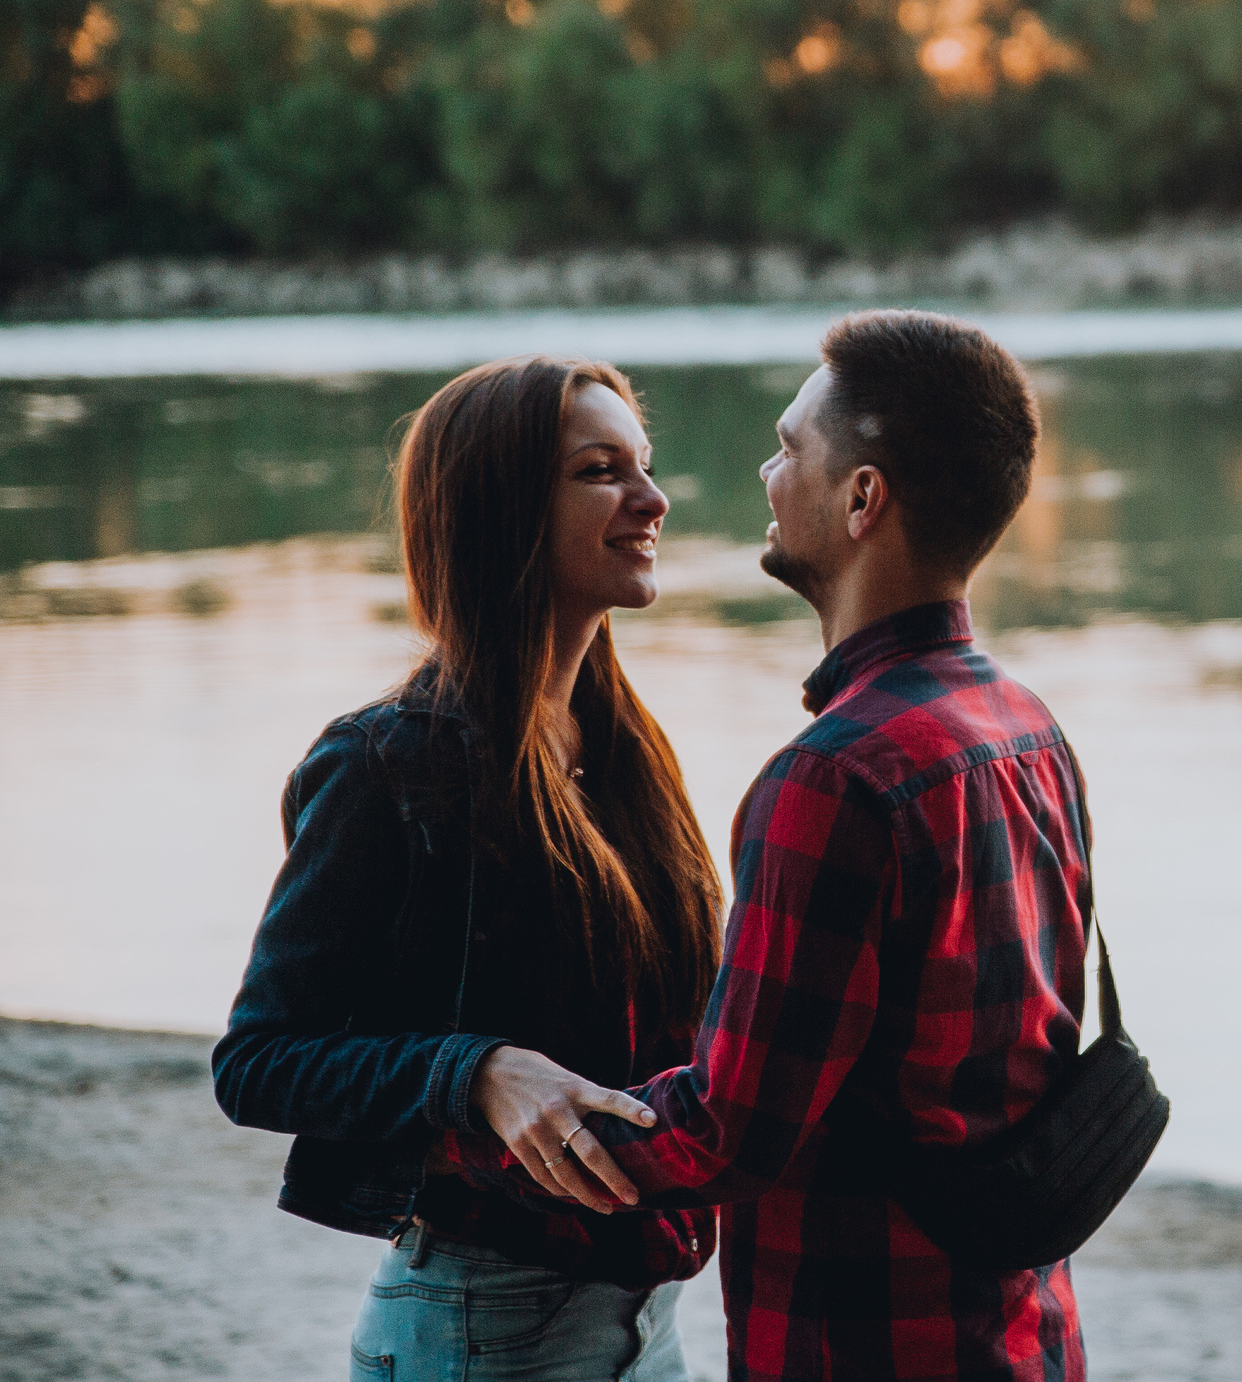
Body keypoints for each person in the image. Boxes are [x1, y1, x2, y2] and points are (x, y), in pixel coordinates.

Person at [461, 310, 1094, 1382]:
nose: (767, 470)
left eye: (790, 447)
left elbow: (727, 1132)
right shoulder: (1025, 727)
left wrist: (483, 1127)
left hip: (870, 1347)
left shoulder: (836, 777)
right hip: (1024, 1335)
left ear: (862, 498)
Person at [213, 356, 726, 1380]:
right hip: (478, 1329)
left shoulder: (627, 746)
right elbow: (257, 1061)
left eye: (644, 464)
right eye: (601, 470)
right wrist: (475, 1072)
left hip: (651, 1323)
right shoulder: (383, 762)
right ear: (502, 512)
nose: (653, 499)